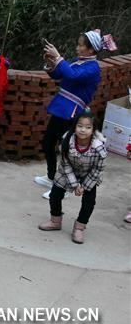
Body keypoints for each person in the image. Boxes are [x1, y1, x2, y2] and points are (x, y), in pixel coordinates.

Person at [34, 30, 114, 198]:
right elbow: (59, 74)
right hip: (61, 108)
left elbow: (72, 75)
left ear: (91, 50)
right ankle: (51, 177)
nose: (77, 47)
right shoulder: (78, 61)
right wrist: (51, 62)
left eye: (80, 45)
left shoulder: (92, 68)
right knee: (48, 143)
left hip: (73, 112)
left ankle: (64, 187)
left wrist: (59, 58)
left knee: (66, 150)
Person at [38, 111, 107, 244]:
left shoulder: (99, 147)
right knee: (55, 195)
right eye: (80, 126)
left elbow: (98, 169)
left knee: (89, 202)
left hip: (89, 175)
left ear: (94, 130)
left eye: (88, 127)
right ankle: (55, 221)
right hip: (67, 172)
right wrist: (75, 184)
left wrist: (84, 186)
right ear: (74, 126)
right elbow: (65, 164)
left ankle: (80, 227)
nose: (83, 130)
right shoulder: (66, 141)